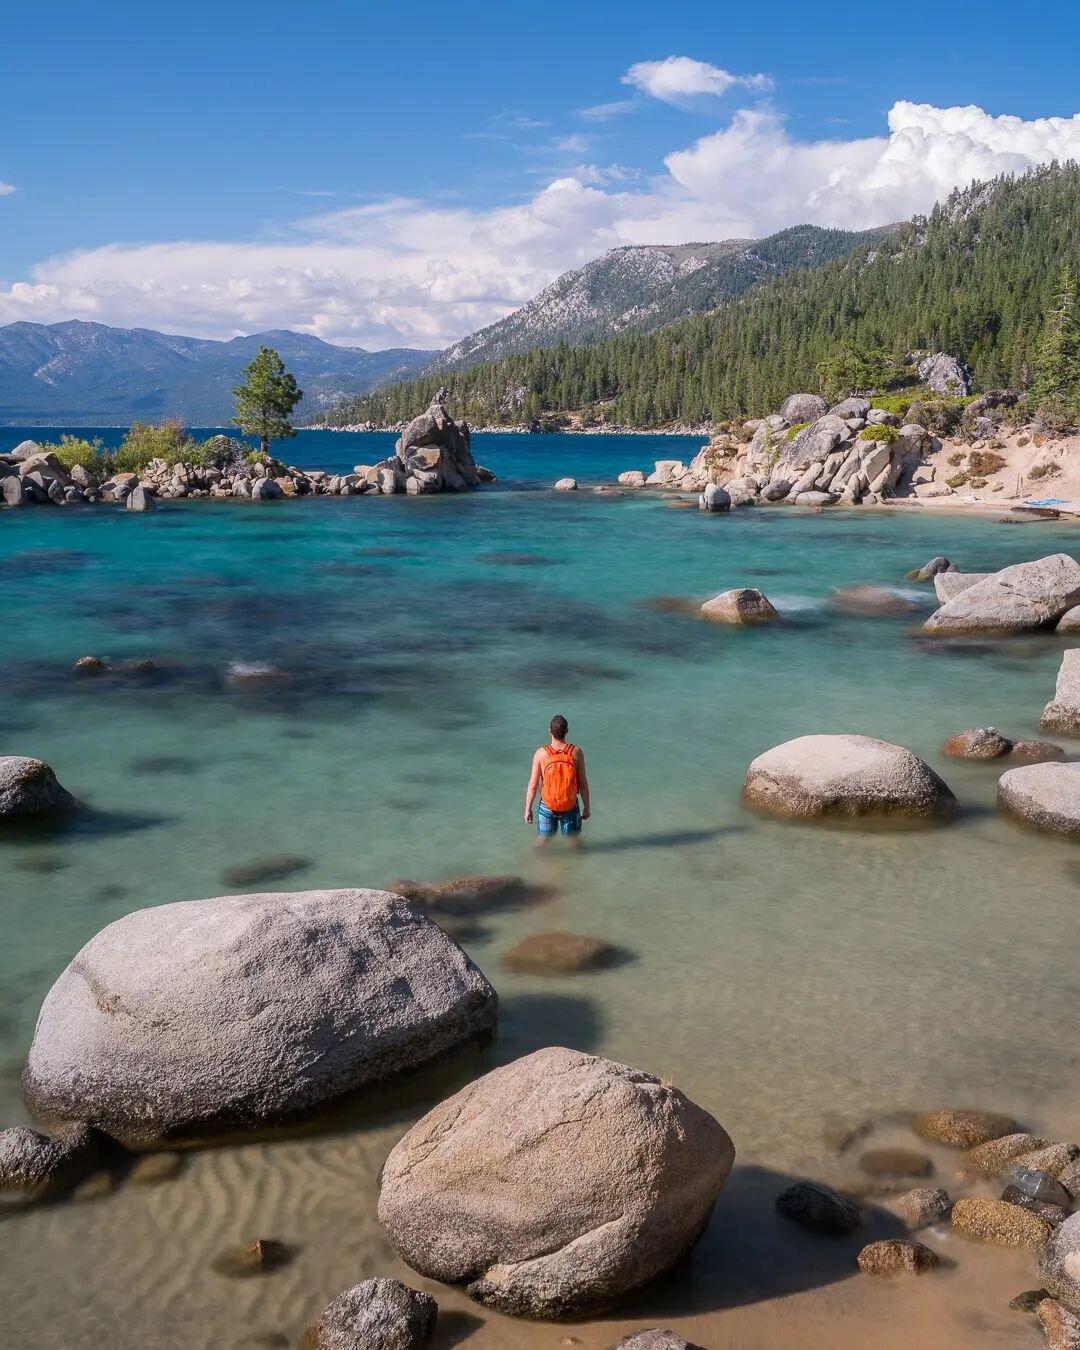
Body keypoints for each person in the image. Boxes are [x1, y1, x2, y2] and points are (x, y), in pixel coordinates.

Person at [524, 715, 590, 841]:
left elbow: (533, 785)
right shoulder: (576, 752)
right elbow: (583, 783)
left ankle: (536, 857)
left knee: (543, 839)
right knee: (573, 840)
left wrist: (528, 809)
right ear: (567, 731)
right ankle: (579, 857)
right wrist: (587, 807)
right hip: (570, 804)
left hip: (547, 805)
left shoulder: (540, 753)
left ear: (549, 731)